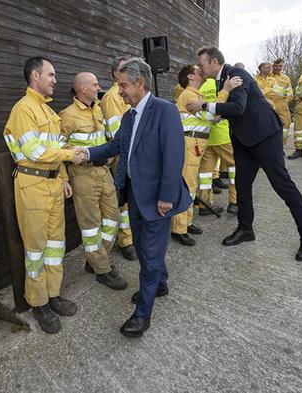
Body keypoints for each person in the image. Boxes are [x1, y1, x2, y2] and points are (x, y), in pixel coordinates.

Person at [76, 58, 191, 337]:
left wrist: (166, 197)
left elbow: (173, 156)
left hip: (157, 198)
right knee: (142, 246)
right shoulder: (129, 117)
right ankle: (160, 283)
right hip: (135, 196)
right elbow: (117, 145)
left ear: (140, 84)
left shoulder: (164, 110)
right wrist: (88, 153)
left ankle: (143, 316)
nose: (119, 92)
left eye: (123, 85)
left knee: (150, 256)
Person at [188, 47, 302, 261]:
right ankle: (245, 228)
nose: (200, 68)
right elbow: (228, 110)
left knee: (282, 185)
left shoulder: (238, 75)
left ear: (214, 61)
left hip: (264, 135)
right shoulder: (219, 81)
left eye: (202, 64)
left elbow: (238, 107)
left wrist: (203, 105)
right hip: (244, 139)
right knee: (242, 184)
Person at [3, 56, 81, 334]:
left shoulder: (48, 112)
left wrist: (62, 177)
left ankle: (53, 294)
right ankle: (38, 303)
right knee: (36, 250)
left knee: (55, 245)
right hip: (32, 186)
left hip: (50, 184)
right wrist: (72, 155)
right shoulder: (23, 110)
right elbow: (35, 152)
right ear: (35, 76)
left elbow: (54, 150)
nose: (55, 80)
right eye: (51, 75)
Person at [59, 72, 128, 290]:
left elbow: (108, 138)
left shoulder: (98, 109)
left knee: (112, 218)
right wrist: (64, 176)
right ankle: (102, 269)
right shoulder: (67, 115)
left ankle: (97, 259)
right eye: (94, 84)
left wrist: (109, 152)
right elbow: (58, 149)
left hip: (103, 173)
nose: (99, 86)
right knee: (90, 226)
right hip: (82, 176)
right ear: (81, 88)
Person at [171, 65, 241, 247]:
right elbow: (211, 113)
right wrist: (225, 91)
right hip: (190, 144)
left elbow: (210, 116)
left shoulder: (196, 95)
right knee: (187, 186)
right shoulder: (189, 95)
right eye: (197, 70)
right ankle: (179, 229)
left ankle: (186, 223)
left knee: (192, 185)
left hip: (195, 144)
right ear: (190, 77)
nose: (201, 71)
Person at [100, 56, 137, 261]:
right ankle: (125, 241)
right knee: (123, 203)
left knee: (129, 201)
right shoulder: (113, 96)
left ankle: (129, 236)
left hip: (129, 153)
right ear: (115, 74)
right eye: (124, 68)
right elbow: (117, 133)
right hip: (121, 156)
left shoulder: (126, 92)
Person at [197, 77, 238, 216]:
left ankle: (204, 204)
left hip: (207, 135)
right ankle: (234, 202)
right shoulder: (225, 84)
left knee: (205, 173)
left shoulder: (201, 86)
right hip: (222, 135)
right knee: (235, 168)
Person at [271, 58, 294, 143]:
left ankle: (281, 146)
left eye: (280, 66)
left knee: (285, 126)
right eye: (276, 66)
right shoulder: (267, 77)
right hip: (269, 105)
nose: (278, 68)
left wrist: (285, 102)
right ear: (272, 66)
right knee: (270, 126)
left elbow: (290, 93)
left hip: (282, 105)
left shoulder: (286, 78)